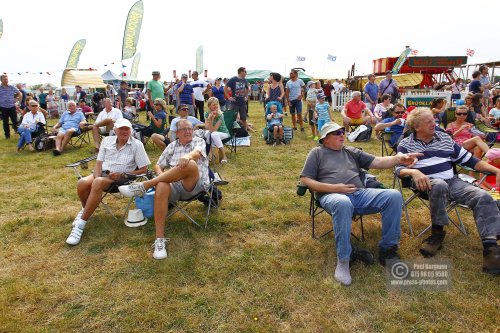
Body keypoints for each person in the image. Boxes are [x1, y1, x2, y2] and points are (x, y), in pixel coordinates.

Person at [300, 122, 421, 285]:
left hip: (359, 193)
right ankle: (343, 260)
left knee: (393, 195)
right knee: (343, 203)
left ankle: (388, 250)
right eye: (336, 133)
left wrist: (398, 159)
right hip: (332, 195)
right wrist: (335, 188)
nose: (342, 134)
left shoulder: (350, 151)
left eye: (342, 131)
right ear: (325, 139)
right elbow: (305, 179)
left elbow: (377, 162)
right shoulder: (317, 153)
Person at [396, 108, 500, 275]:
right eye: (429, 121)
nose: (434, 123)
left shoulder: (444, 138)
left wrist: (495, 171)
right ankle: (437, 234)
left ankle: (491, 249)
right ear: (417, 127)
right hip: (426, 183)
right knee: (439, 185)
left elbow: (471, 161)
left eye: (434, 120)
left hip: (453, 182)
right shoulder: (406, 144)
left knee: (482, 195)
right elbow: (398, 170)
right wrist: (414, 172)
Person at [118, 119, 210, 259]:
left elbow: (197, 153)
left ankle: (144, 186)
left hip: (195, 185)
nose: (188, 132)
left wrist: (187, 156)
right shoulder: (172, 146)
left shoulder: (198, 141)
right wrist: (161, 175)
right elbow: (157, 165)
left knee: (190, 164)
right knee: (161, 184)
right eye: (184, 129)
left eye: (190, 129)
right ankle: (159, 239)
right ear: (177, 133)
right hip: (175, 186)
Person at [66, 118, 150, 246]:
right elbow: (99, 163)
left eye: (127, 128)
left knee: (98, 182)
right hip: (103, 174)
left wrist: (123, 174)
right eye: (121, 128)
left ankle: (80, 225)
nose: (124, 131)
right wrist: (97, 174)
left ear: (131, 130)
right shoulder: (106, 141)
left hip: (121, 179)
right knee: (82, 183)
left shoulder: (137, 145)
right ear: (115, 130)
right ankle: (85, 209)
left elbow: (144, 169)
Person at [205, 97, 230, 163]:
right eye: (214, 105)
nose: (216, 106)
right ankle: (210, 154)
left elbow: (214, 130)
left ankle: (224, 156)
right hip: (214, 133)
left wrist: (211, 119)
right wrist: (209, 118)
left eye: (217, 104)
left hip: (223, 133)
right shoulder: (207, 114)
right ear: (209, 106)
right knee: (207, 133)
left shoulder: (220, 115)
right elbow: (207, 127)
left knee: (213, 134)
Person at [225, 67, 249, 131]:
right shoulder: (233, 79)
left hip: (242, 103)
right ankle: (231, 132)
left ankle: (245, 132)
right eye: (245, 72)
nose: (246, 73)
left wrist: (246, 96)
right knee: (232, 118)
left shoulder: (244, 80)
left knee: (244, 118)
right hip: (234, 103)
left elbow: (247, 88)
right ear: (241, 72)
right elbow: (225, 87)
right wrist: (228, 97)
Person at [0, 74, 21, 139]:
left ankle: (20, 134)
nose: (6, 80)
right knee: (5, 122)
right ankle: (7, 136)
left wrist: (17, 101)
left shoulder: (11, 87)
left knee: (15, 122)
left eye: (7, 79)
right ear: (1, 80)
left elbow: (20, 93)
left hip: (12, 107)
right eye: (5, 79)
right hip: (3, 107)